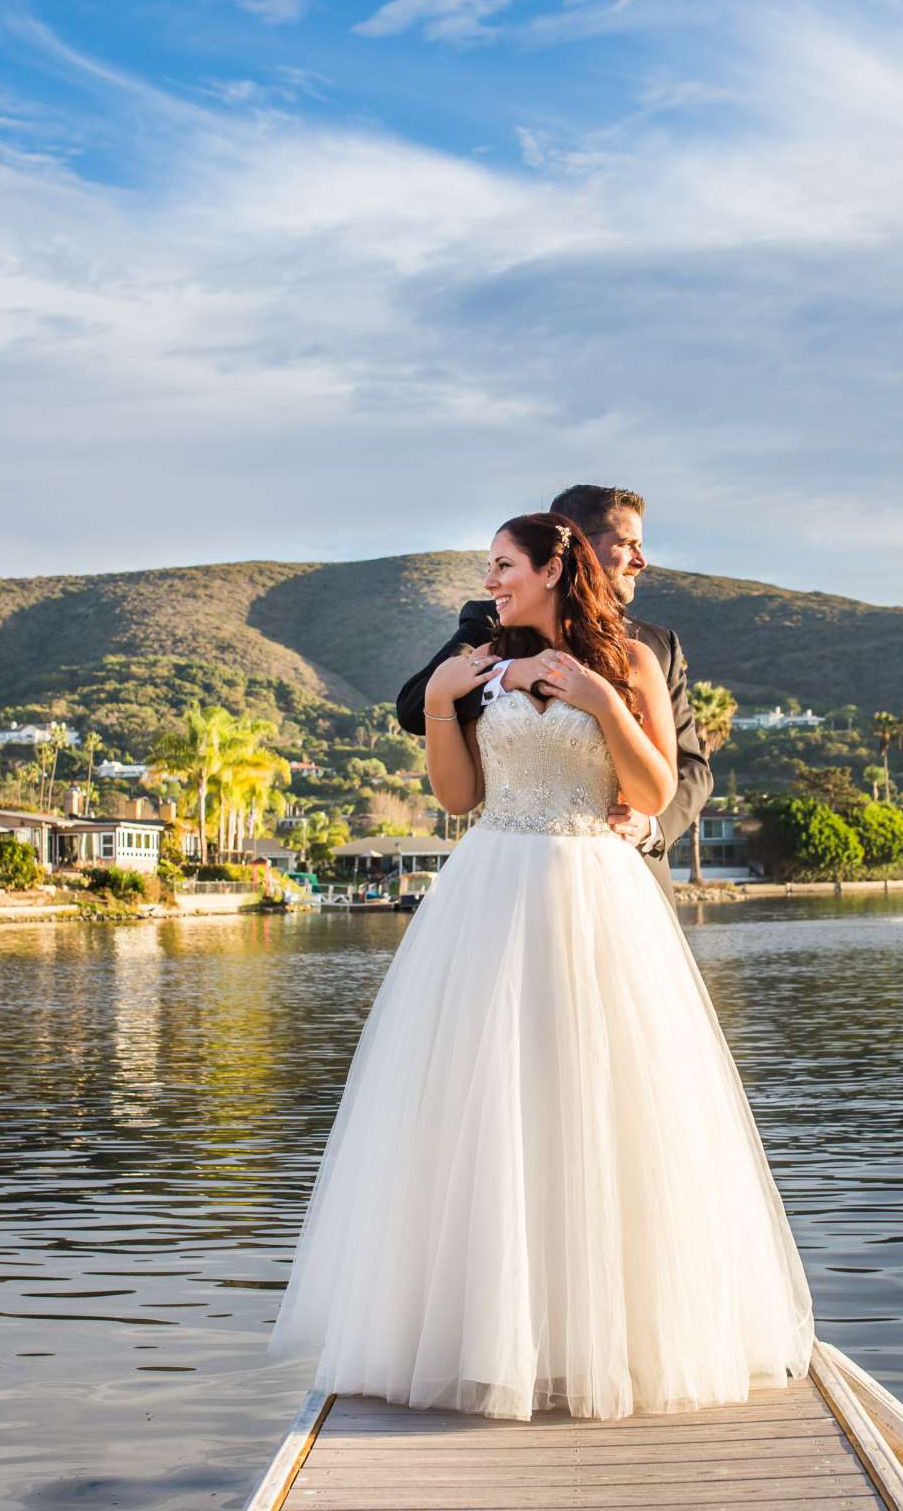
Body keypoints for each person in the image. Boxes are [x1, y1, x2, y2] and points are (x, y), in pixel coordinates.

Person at [264, 512, 816, 1421]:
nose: (491, 581)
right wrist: (445, 698)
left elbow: (651, 792)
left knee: (605, 1103)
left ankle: (615, 1333)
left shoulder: (632, 661)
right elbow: (456, 795)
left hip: (595, 894)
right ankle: (485, 1334)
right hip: (488, 891)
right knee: (486, 1107)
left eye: (504, 565)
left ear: (557, 566)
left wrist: (602, 702)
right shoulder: (483, 660)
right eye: (490, 565)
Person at [395, 485, 708, 898]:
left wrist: (649, 826)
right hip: (501, 878)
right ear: (574, 543)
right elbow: (421, 710)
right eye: (627, 544)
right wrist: (508, 674)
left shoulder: (648, 650)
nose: (641, 560)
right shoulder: (489, 635)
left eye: (503, 565)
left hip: (617, 879)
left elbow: (690, 769)